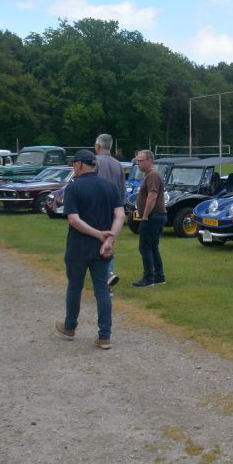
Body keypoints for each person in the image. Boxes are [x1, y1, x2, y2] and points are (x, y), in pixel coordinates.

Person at [55, 149, 124, 350]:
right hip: (102, 249)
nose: (73, 168)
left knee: (74, 287)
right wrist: (109, 239)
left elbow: (74, 220)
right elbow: (120, 216)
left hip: (78, 247)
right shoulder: (109, 187)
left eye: (73, 164)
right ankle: (104, 336)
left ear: (79, 165)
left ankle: (70, 328)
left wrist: (99, 235)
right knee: (102, 290)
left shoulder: (74, 189)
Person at [132, 149, 167, 287]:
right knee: (153, 247)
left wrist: (145, 216)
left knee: (145, 247)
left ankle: (148, 279)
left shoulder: (152, 175)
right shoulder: (151, 175)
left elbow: (152, 196)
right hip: (156, 216)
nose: (138, 164)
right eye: (137, 161)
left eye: (140, 161)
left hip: (153, 217)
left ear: (149, 161)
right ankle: (159, 277)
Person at [94, 134, 125, 287]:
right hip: (114, 211)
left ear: (98, 146)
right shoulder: (118, 165)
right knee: (109, 242)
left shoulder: (94, 162)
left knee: (93, 242)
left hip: (96, 210)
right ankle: (108, 277)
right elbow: (122, 191)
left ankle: (105, 277)